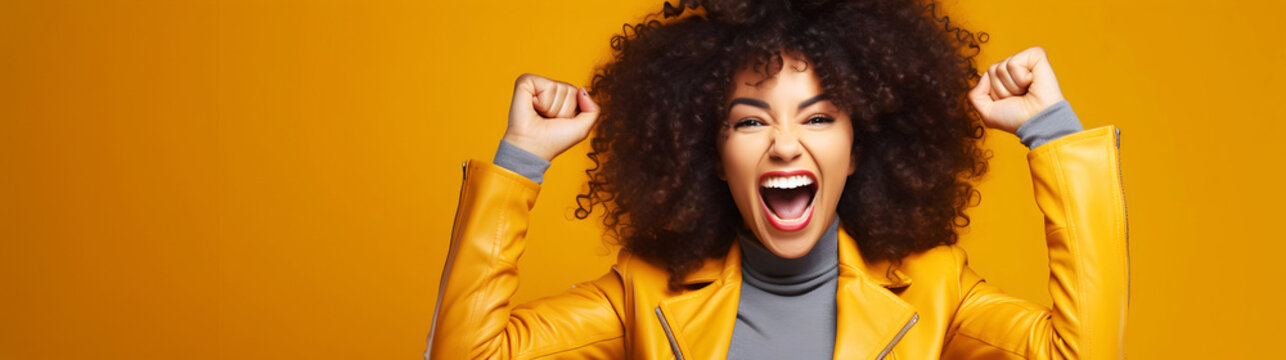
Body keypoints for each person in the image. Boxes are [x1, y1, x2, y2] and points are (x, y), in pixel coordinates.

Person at [425, 0, 1128, 358]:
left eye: (819, 119)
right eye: (750, 121)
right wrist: (521, 158)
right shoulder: (642, 290)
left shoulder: (937, 285)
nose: (786, 146)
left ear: (858, 152)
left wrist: (1053, 135)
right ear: (713, 151)